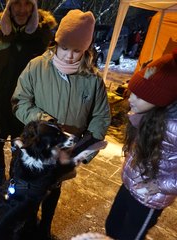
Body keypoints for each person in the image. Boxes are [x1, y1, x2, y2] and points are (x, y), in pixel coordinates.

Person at [11, 9, 111, 239]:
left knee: (52, 190)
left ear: (86, 49)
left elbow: (101, 117)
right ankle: (23, 228)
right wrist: (43, 122)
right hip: (36, 151)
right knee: (26, 195)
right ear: (56, 42)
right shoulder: (36, 67)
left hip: (64, 153)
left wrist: (84, 151)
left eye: (77, 50)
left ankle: (45, 227)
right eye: (64, 47)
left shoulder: (93, 79)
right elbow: (19, 101)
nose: (68, 56)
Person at [0, 0, 57, 195]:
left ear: (33, 7)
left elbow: (50, 70)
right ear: (9, 7)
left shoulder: (43, 35)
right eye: (16, 4)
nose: (22, 9)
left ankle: (14, 176)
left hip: (26, 106)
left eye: (27, 4)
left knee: (20, 145)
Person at [105, 49, 177, 240]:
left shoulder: (174, 127)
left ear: (159, 98)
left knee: (131, 236)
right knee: (112, 226)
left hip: (150, 198)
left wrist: (159, 185)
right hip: (131, 183)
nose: (130, 99)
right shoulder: (149, 114)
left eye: (139, 95)